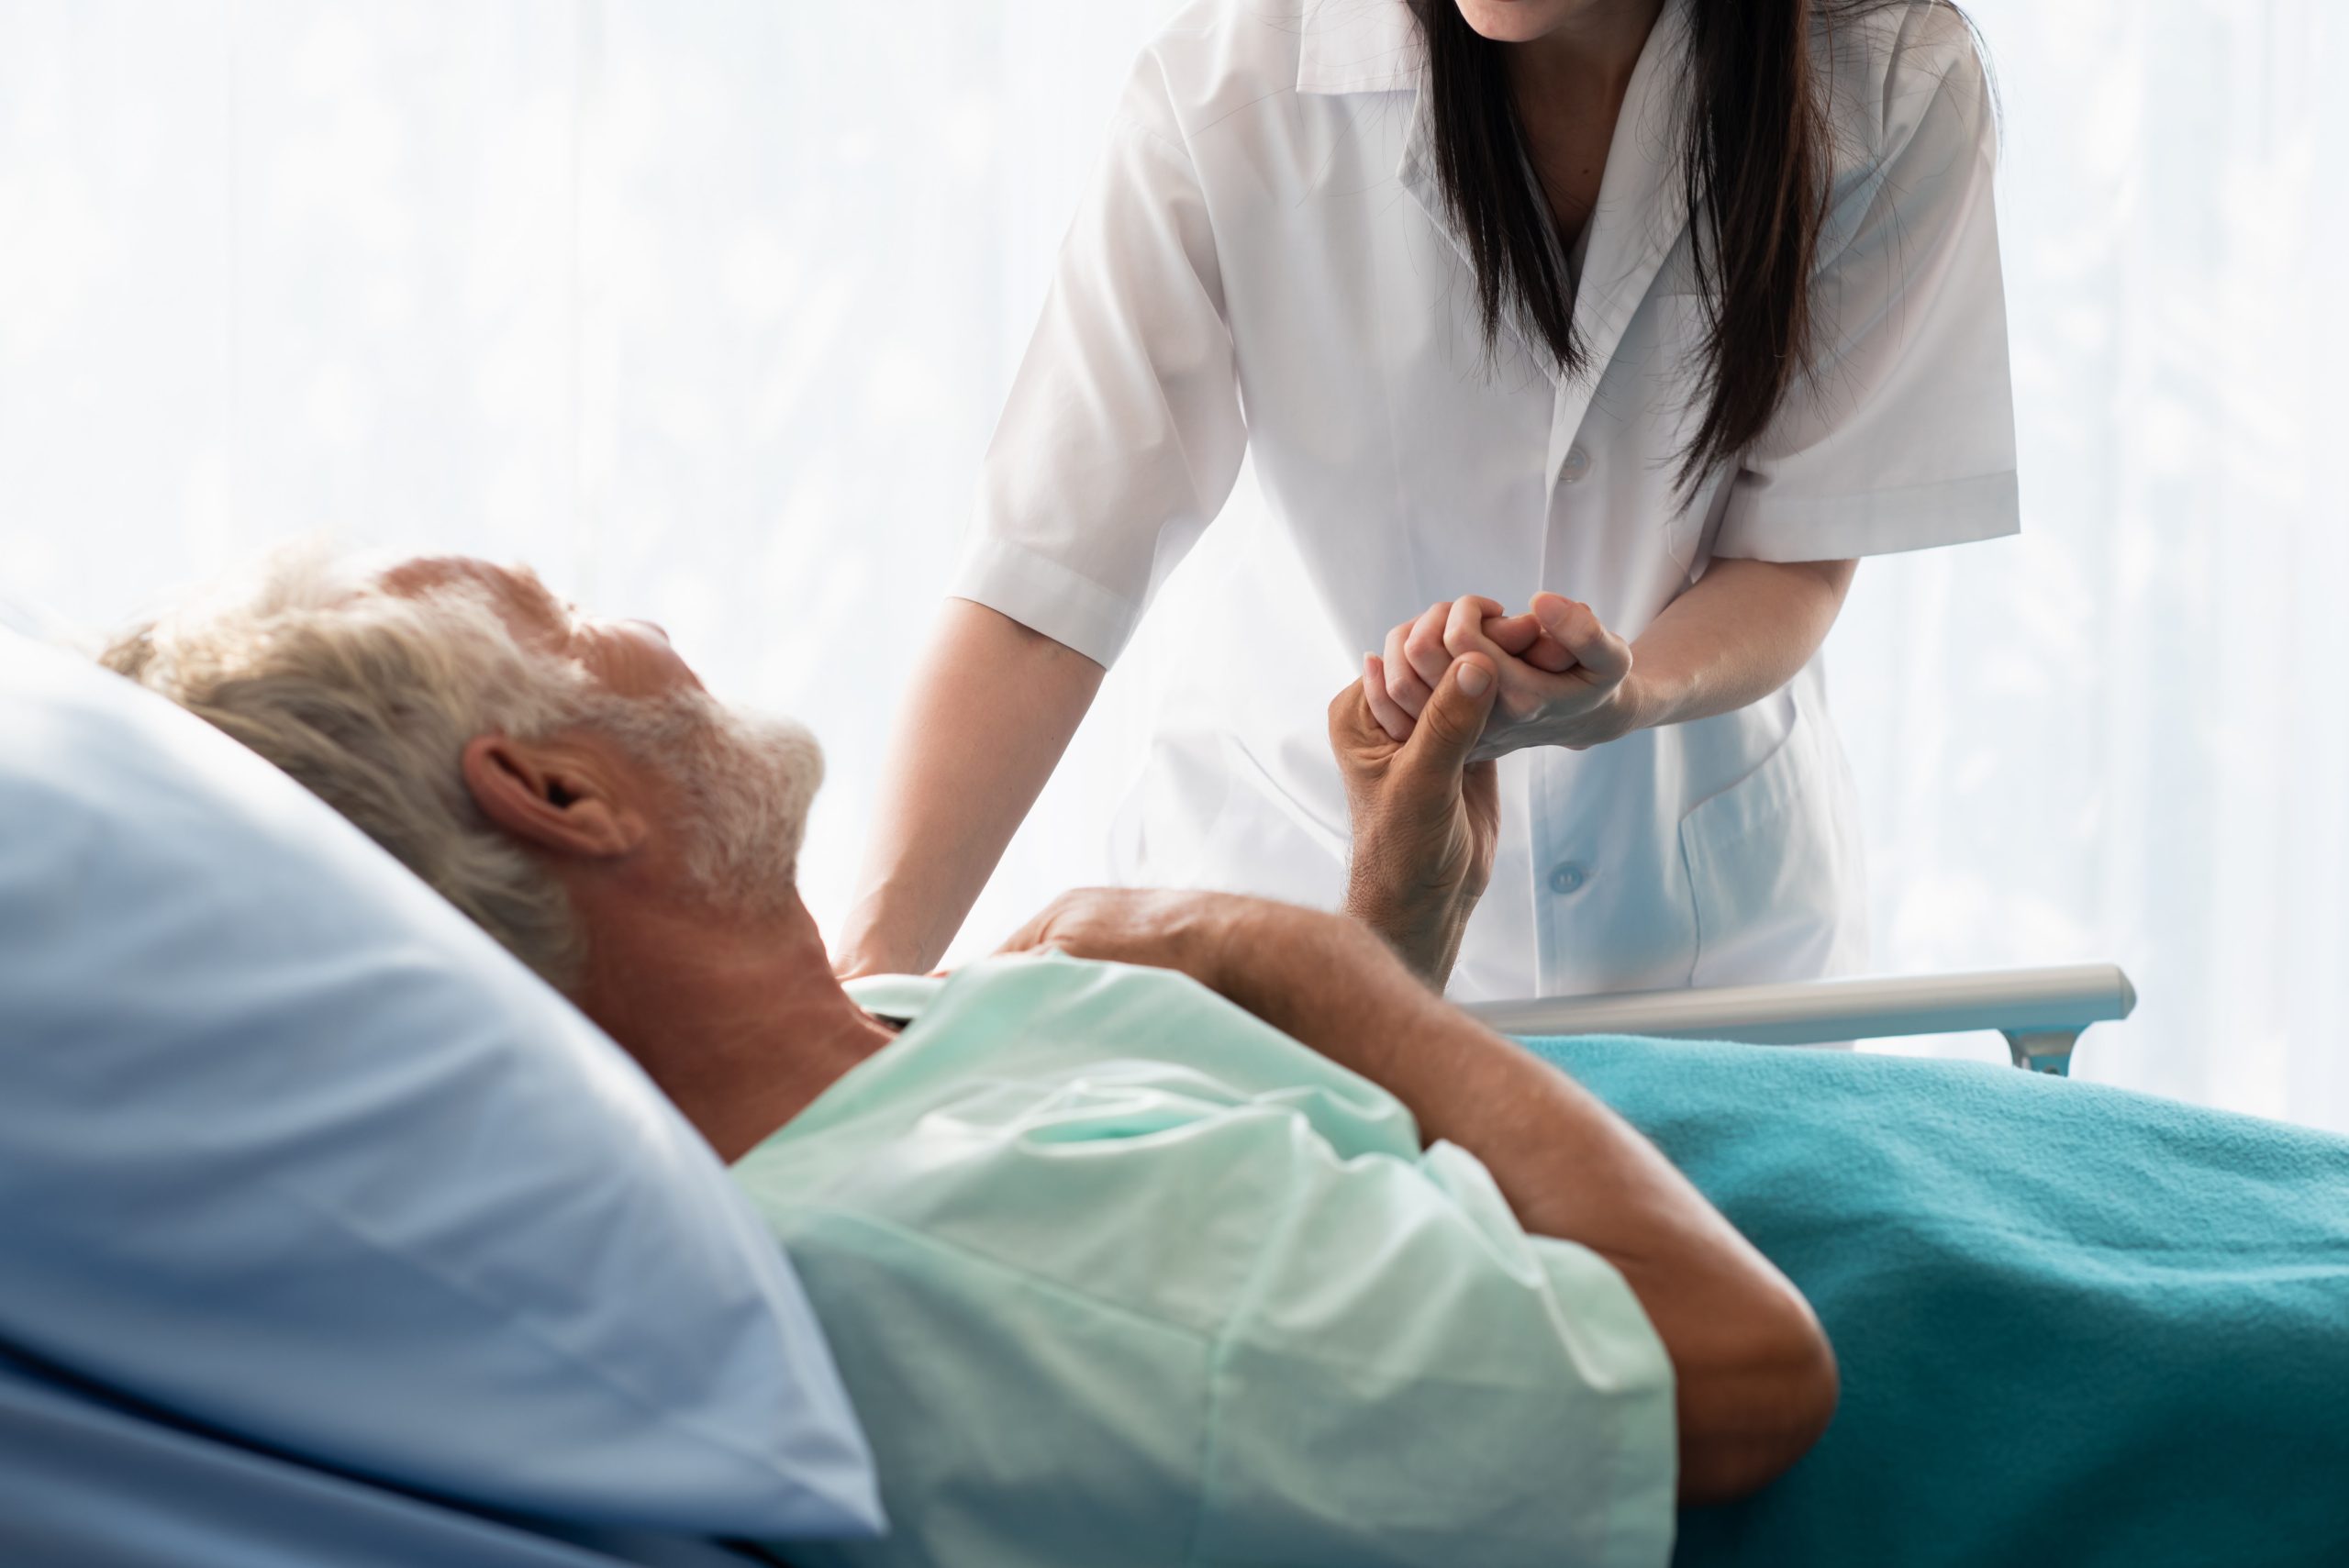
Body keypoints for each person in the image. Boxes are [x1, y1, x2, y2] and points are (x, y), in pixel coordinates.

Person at [103, 550, 1836, 1567]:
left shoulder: (896, 1059)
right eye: (564, 617)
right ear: (559, 793)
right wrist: (1289, 960)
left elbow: (1307, 1245)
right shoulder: (945, 1257)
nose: (639, 624)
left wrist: (1388, 936)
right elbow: (1737, 1375)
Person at [837, 0, 2017, 1005]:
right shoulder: (1233, 87)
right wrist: (860, 992)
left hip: (1701, 941)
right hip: (1284, 884)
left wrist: (1627, 693)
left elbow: (1795, 556)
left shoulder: (1886, 84)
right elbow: (1046, 583)